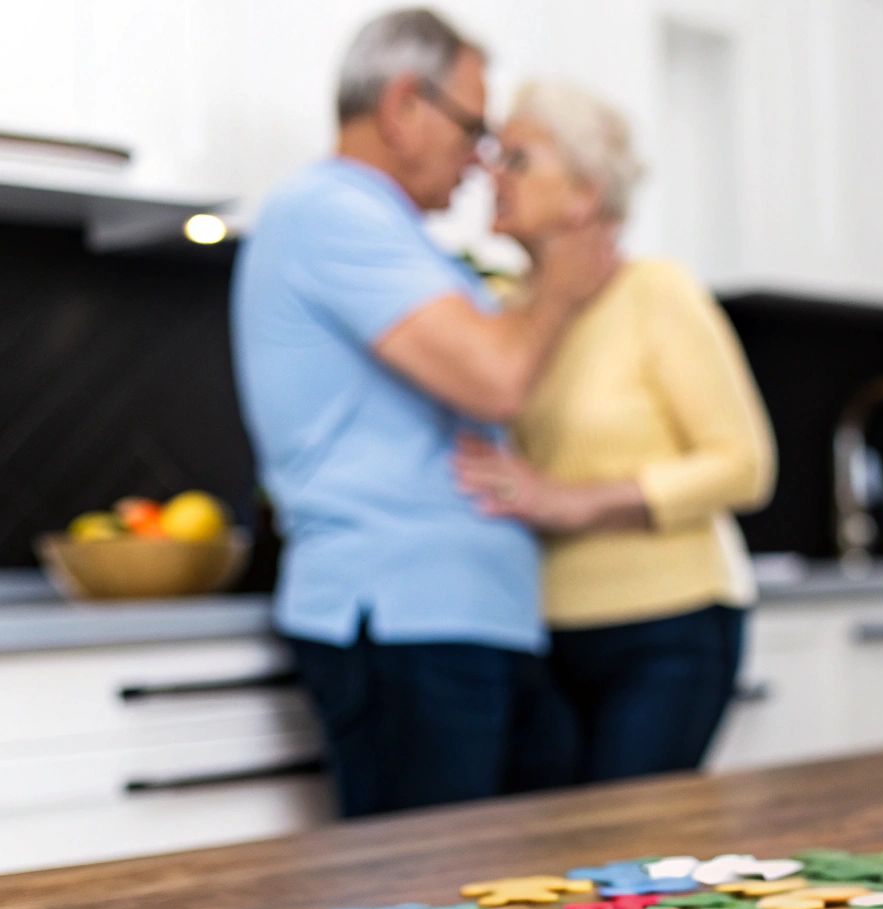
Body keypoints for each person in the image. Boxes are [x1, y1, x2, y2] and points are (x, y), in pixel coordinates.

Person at [230, 10, 616, 817]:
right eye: (472, 128)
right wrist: (563, 283)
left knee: (530, 880)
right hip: (405, 622)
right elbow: (496, 380)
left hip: (468, 622)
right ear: (404, 104)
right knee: (427, 889)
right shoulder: (329, 211)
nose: (480, 160)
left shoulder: (397, 236)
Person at [454, 81, 776, 781]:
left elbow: (745, 464)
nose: (490, 173)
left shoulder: (656, 292)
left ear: (585, 192)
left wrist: (576, 501)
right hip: (542, 632)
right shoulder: (507, 314)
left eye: (518, 159)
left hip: (671, 627)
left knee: (630, 839)